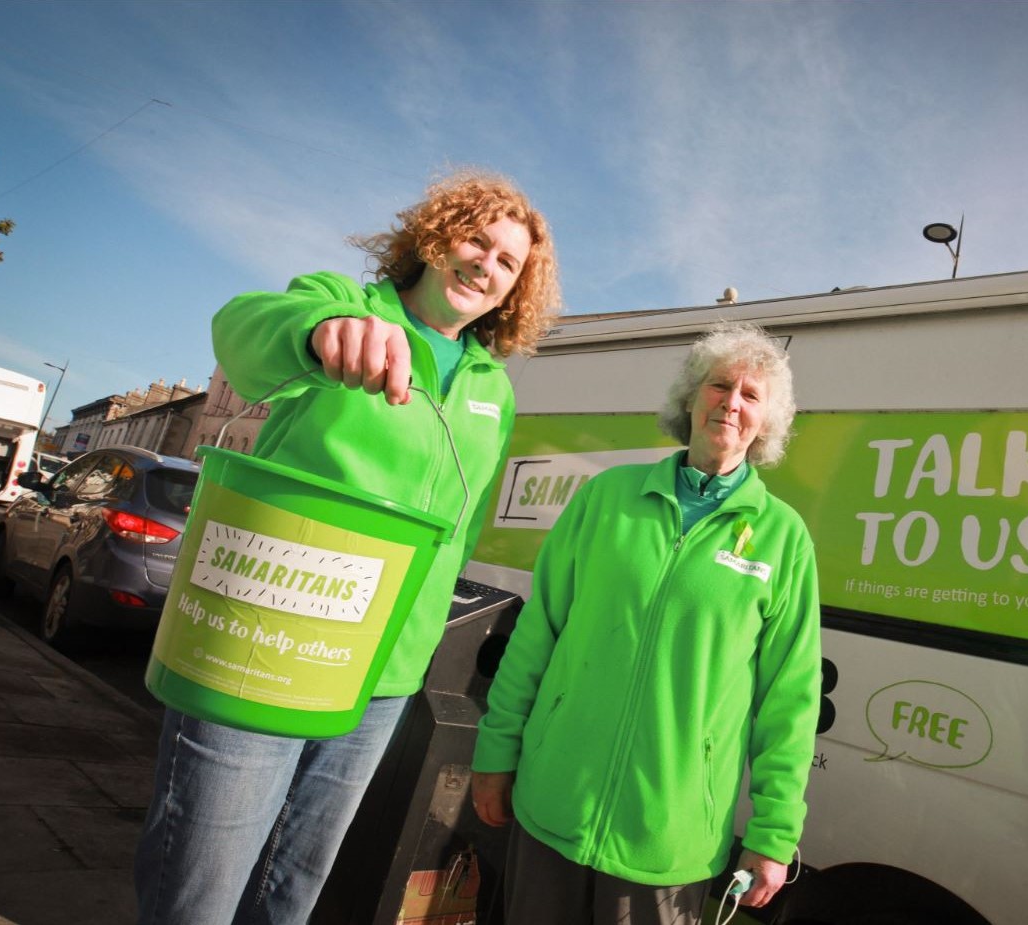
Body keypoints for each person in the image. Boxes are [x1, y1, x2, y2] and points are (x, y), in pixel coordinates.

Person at [134, 169, 561, 925]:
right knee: (200, 893)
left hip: (381, 676)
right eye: (476, 240)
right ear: (435, 236)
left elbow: (452, 534)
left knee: (291, 890)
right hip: (267, 647)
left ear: (513, 291)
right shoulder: (349, 306)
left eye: (507, 263)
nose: (486, 265)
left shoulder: (492, 387)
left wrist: (417, 648)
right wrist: (314, 334)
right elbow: (242, 331)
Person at [471, 321, 822, 925]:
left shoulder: (783, 537)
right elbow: (538, 634)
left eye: (751, 395)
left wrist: (775, 829)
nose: (731, 403)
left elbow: (790, 699)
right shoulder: (607, 496)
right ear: (690, 397)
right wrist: (496, 750)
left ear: (767, 422)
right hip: (553, 800)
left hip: (668, 837)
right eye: (719, 385)